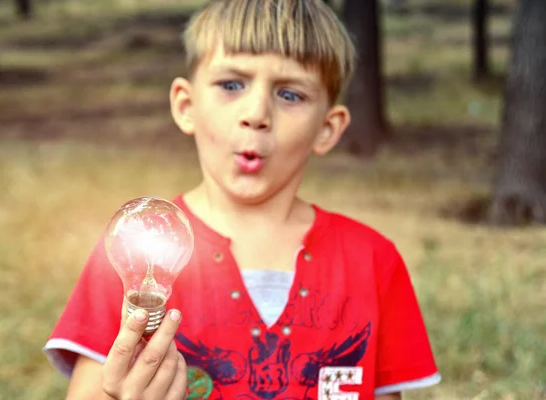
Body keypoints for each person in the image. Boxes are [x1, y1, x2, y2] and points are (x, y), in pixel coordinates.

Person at [43, 0, 441, 398]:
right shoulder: (138, 249)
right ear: (186, 106)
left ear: (327, 128)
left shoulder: (373, 262)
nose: (257, 112)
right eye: (232, 85)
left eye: (290, 94)